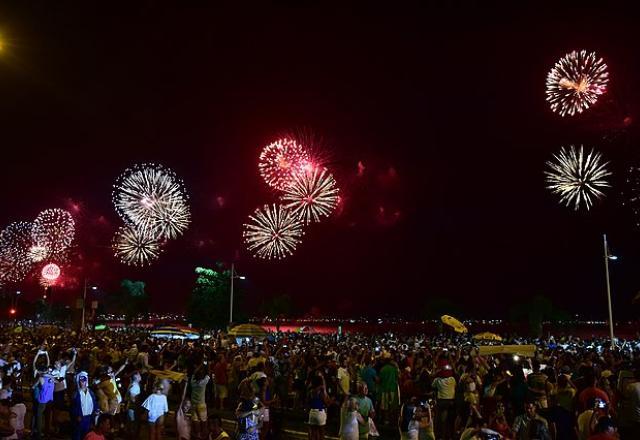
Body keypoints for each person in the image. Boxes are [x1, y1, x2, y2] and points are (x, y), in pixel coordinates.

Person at [71, 372, 99, 440]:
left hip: (89, 419)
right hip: (80, 419)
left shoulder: (91, 393)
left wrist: (96, 410)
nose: (83, 382)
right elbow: (73, 407)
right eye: (81, 381)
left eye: (84, 380)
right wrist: (77, 416)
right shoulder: (76, 394)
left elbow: (94, 403)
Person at [432, 364, 456, 440]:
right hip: (451, 402)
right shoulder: (452, 379)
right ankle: (450, 435)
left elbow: (432, 386)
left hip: (442, 402)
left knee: (440, 420)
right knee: (450, 420)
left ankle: (441, 435)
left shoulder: (437, 380)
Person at [308, 372, 330, 440]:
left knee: (313, 432)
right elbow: (326, 403)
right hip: (320, 412)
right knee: (321, 433)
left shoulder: (311, 391)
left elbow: (308, 401)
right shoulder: (321, 391)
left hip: (312, 412)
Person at [190, 365, 210, 439]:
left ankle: (198, 435)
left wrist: (197, 369)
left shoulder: (192, 382)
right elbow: (208, 375)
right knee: (204, 421)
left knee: (196, 420)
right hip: (201, 404)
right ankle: (204, 436)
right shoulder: (203, 382)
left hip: (193, 403)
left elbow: (193, 374)